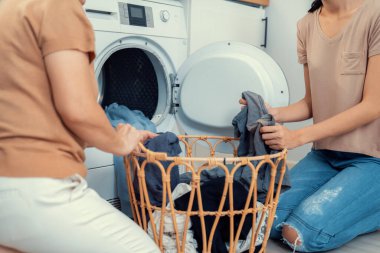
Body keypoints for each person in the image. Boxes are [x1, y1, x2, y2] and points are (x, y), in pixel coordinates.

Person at [0, 0, 160, 252]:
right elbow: (77, 108)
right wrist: (120, 141)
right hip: (37, 186)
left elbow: (33, 109)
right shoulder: (58, 6)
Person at [240, 0, 380, 252]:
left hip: (373, 159)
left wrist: (297, 137)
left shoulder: (376, 14)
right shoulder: (306, 25)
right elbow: (311, 102)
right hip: (326, 155)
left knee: (298, 235)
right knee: (262, 220)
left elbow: (373, 105)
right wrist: (272, 112)